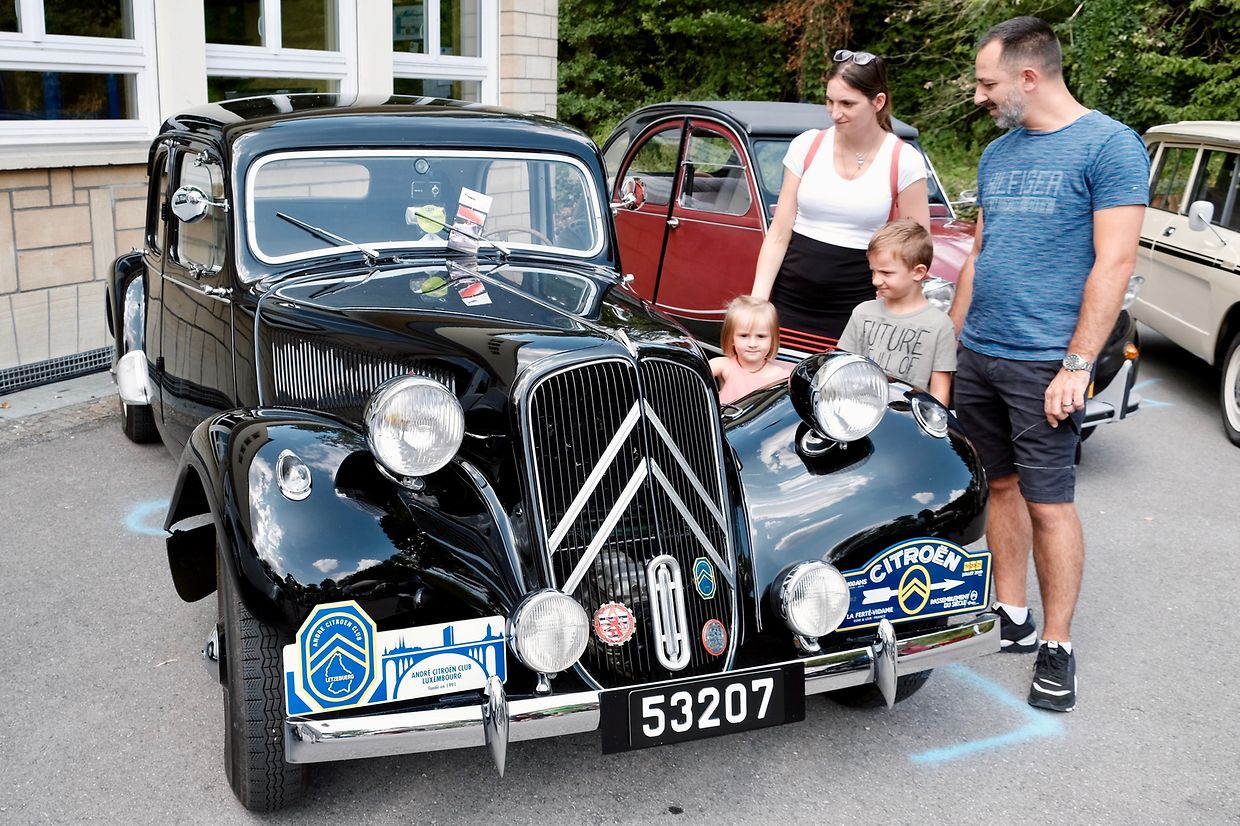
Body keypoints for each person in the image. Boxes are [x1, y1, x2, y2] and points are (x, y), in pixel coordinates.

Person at [947, 16, 1149, 713]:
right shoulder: (999, 155)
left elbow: (1115, 262)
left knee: (1050, 502)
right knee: (998, 485)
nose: (980, 95)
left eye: (987, 82)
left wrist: (1076, 365)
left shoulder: (1110, 147)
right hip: (982, 352)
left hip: (1045, 362)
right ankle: (1012, 611)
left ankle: (1057, 645)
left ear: (1029, 78)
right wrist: (954, 342)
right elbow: (981, 252)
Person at [751, 49, 931, 348]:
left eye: (847, 103)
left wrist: (897, 315)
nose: (835, 113)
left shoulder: (904, 160)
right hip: (790, 300)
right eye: (830, 101)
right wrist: (758, 304)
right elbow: (779, 232)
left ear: (878, 102)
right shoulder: (806, 145)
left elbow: (917, 250)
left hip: (858, 308)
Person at [838, 219, 955, 405]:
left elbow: (940, 391)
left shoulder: (939, 325)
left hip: (906, 421)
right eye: (873, 272)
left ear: (918, 272)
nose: (876, 280)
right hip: (857, 412)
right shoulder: (862, 312)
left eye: (886, 273)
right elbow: (841, 370)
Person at [710, 296, 792, 404]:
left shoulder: (783, 377)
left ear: (773, 339)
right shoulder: (724, 365)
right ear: (731, 338)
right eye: (744, 336)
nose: (752, 344)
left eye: (761, 336)